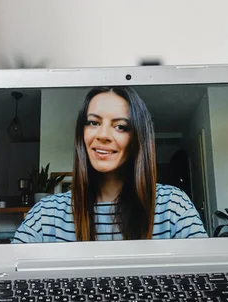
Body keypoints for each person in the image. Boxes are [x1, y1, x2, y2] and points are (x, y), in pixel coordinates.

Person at [11, 86, 207, 243]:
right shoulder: (45, 214)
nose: (103, 135)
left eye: (120, 126)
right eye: (93, 123)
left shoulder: (173, 205)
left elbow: (205, 277)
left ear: (136, 139)